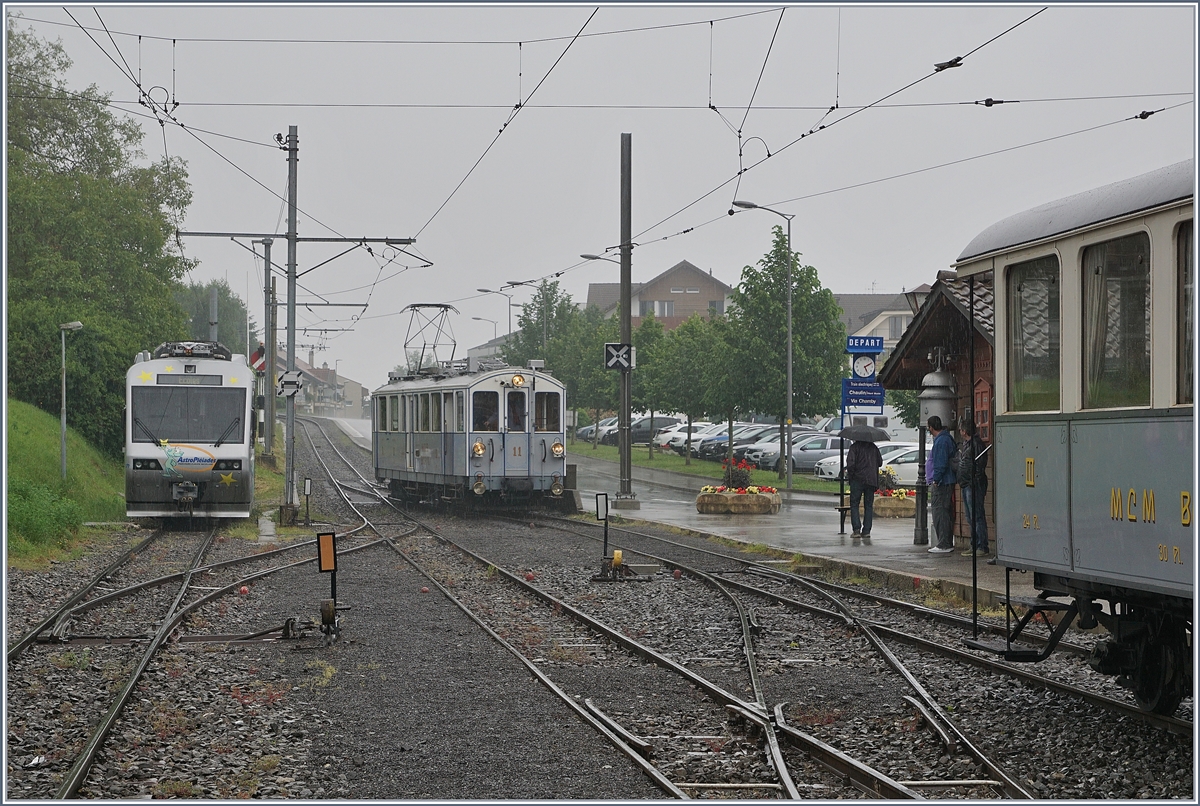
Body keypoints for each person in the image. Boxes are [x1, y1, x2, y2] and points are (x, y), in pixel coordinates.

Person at [926, 415, 957, 554]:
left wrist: (936, 480)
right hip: (947, 481)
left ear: (931, 427)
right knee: (944, 511)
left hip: (942, 482)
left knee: (940, 512)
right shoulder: (946, 438)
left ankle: (944, 543)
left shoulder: (941, 441)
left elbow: (940, 463)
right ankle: (945, 542)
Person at [958, 420, 989, 556]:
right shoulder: (967, 444)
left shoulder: (976, 444)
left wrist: (973, 480)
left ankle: (981, 545)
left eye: (961, 429)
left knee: (976, 515)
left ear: (964, 431)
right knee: (970, 516)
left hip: (973, 484)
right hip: (966, 483)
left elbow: (979, 465)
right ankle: (974, 543)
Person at [846, 438, 883, 538]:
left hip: (857, 479)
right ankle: (866, 531)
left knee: (854, 504)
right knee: (868, 505)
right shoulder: (874, 448)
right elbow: (880, 462)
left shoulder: (854, 448)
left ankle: (856, 530)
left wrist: (851, 475)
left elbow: (850, 464)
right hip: (871, 480)